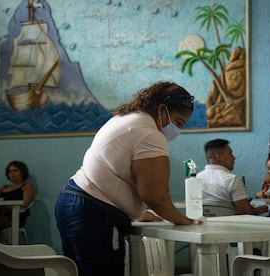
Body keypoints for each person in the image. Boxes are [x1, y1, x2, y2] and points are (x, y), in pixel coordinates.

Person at [54, 81, 198, 276]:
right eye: (179, 122)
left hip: (73, 202)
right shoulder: (149, 134)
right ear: (162, 110)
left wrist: (136, 212)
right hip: (95, 213)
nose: (178, 130)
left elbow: (116, 170)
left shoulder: (126, 119)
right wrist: (183, 220)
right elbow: (156, 196)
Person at [198, 139, 268, 216]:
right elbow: (246, 212)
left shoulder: (196, 178)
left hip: (203, 225)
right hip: (230, 226)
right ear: (219, 157)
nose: (234, 158)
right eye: (230, 154)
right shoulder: (232, 179)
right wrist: (263, 208)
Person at [0, 160, 35, 238]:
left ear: (22, 172)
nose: (12, 173)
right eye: (10, 171)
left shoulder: (27, 186)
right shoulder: (4, 187)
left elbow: (25, 204)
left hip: (14, 217)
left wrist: (6, 206)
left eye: (15, 171)